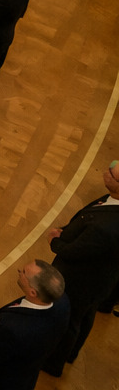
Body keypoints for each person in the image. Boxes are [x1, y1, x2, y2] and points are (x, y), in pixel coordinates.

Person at [42, 161, 119, 378]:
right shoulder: (112, 202)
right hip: (99, 280)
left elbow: (77, 251)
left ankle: (53, 363)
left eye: (111, 174)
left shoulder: (107, 228)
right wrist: (67, 230)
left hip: (82, 280)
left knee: (70, 319)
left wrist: (55, 242)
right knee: (85, 315)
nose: (105, 173)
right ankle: (71, 353)